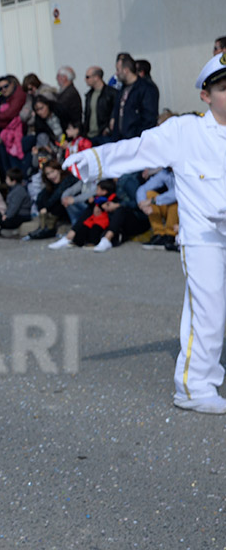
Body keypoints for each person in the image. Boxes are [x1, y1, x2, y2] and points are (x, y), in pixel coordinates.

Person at [64, 52, 226, 413]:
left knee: (208, 309)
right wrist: (92, 161)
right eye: (223, 88)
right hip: (204, 237)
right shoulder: (185, 131)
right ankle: (194, 387)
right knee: (209, 311)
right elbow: (135, 149)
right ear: (205, 95)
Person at [48, 179, 119, 250]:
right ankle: (76, 240)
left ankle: (92, 242)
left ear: (104, 191)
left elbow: (106, 204)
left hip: (102, 220)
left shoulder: (110, 197)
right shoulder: (94, 193)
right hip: (92, 219)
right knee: (84, 228)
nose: (96, 191)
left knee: (95, 230)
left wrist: (96, 202)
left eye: (98, 189)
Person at [110, 53, 159, 141]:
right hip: (121, 140)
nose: (116, 73)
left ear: (126, 70)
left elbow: (149, 118)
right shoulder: (122, 90)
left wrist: (137, 136)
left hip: (136, 141)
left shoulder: (146, 88)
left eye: (118, 70)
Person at [137, 167, 178, 250]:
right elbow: (143, 188)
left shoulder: (184, 171)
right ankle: (159, 234)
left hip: (186, 209)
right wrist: (143, 204)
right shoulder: (166, 172)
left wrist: (152, 201)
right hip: (169, 207)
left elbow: (178, 192)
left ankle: (170, 235)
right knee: (149, 194)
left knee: (176, 201)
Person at [83, 66, 117, 143]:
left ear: (96, 77)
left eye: (87, 77)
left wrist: (108, 129)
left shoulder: (111, 93)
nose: (85, 80)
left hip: (105, 136)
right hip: (90, 136)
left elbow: (115, 112)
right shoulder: (89, 95)